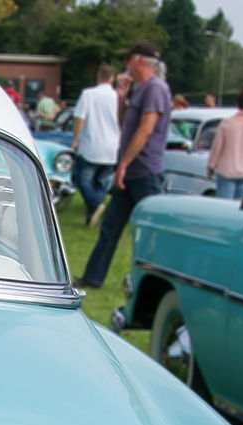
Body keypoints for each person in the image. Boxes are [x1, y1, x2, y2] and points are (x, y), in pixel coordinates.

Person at [76, 41, 172, 289]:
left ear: (141, 61)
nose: (125, 65)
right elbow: (124, 125)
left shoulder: (155, 89)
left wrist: (124, 164)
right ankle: (92, 278)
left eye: (128, 59)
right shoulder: (139, 90)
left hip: (144, 171)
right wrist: (121, 98)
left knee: (149, 233)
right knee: (110, 227)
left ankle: (154, 284)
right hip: (129, 171)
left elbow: (146, 129)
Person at [71, 64, 119, 226]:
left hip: (92, 144)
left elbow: (80, 118)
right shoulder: (119, 97)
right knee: (101, 182)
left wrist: (76, 139)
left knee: (82, 179)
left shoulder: (88, 94)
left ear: (98, 77)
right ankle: (92, 216)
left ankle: (95, 205)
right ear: (112, 79)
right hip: (112, 147)